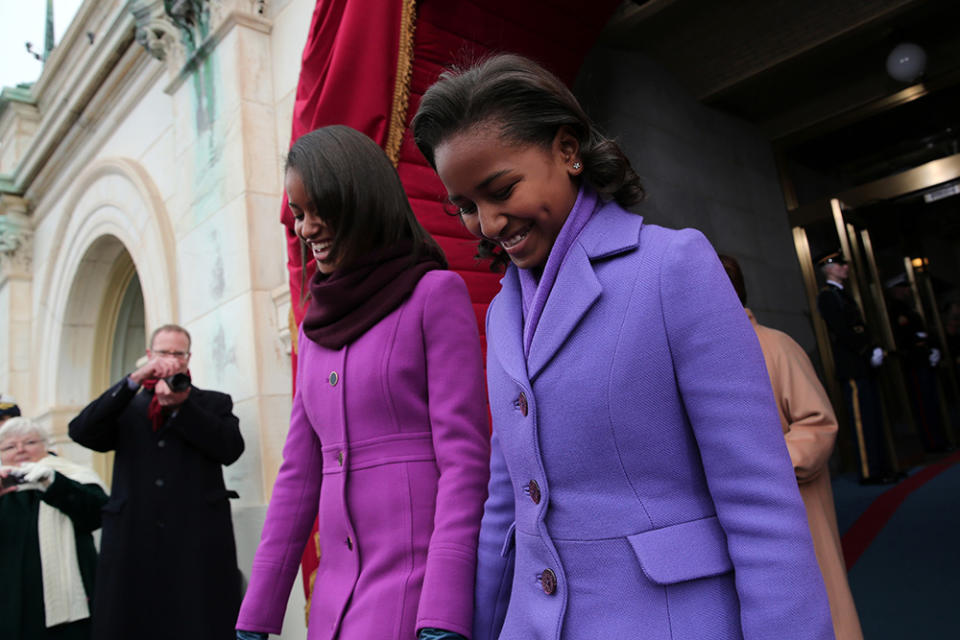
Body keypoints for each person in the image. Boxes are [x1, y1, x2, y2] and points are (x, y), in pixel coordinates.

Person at [413, 53, 833, 640]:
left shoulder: (674, 265)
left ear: (567, 150)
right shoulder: (504, 307)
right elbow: (505, 502)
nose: (485, 223)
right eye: (464, 206)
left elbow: (759, 500)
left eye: (500, 189)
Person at [235, 126, 489, 640]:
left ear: (357, 197)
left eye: (315, 209)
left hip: (415, 598)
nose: (306, 228)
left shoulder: (435, 294)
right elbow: (296, 477)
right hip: (333, 605)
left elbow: (465, 461)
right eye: (298, 215)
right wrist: (256, 615)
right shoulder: (313, 325)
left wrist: (443, 612)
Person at [68, 324, 245, 640]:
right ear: (149, 355)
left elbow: (231, 449)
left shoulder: (213, 403)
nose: (171, 360)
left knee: (200, 622)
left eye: (179, 353)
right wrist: (133, 381)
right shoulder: (125, 405)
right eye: (164, 352)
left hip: (195, 541)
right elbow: (81, 431)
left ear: (188, 358)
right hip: (134, 539)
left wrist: (182, 408)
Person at [720, 254, 863, 640]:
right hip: (735, 515)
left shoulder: (776, 346)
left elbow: (818, 424)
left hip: (793, 505)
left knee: (815, 607)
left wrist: (759, 468)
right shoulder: (705, 356)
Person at [0, 417, 108, 639]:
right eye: (9, 446)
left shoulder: (72, 474)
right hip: (10, 601)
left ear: (46, 445)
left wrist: (53, 483)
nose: (20, 450)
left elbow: (98, 515)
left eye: (30, 442)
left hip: (67, 604)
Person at [815, 251, 896, 484]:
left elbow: (860, 326)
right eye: (839, 264)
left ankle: (881, 466)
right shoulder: (828, 297)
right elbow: (842, 330)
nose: (845, 268)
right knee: (862, 422)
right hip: (852, 366)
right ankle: (869, 471)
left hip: (863, 364)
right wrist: (865, 350)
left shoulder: (844, 295)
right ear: (828, 268)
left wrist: (874, 348)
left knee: (874, 417)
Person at [884, 273, 947, 452]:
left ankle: (939, 439)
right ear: (894, 290)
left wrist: (933, 348)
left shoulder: (910, 309)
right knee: (923, 404)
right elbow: (902, 338)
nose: (906, 291)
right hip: (913, 362)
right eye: (902, 288)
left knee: (932, 402)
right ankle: (932, 443)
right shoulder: (895, 310)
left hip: (924, 359)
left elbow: (925, 331)